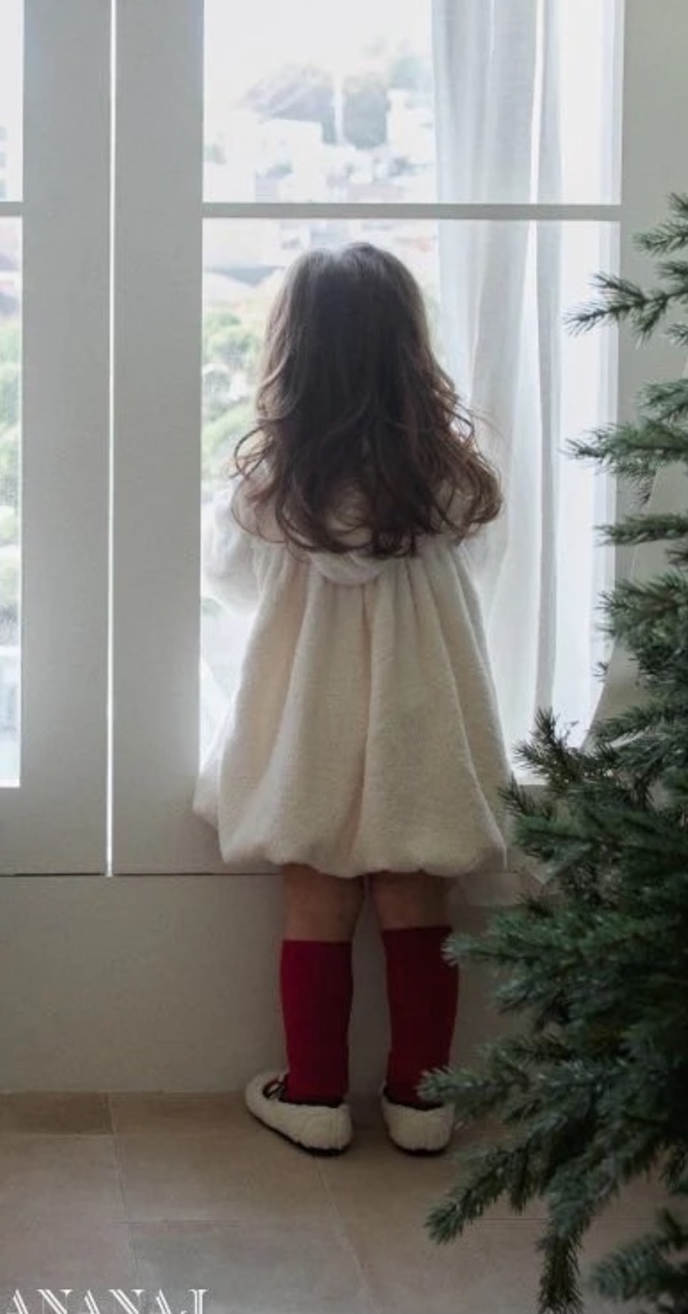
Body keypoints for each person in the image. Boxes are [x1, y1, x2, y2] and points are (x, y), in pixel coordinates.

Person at [195, 243, 508, 1157]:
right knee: (419, 901)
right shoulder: (446, 476)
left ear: (293, 349)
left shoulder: (272, 485)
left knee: (315, 897)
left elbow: (229, 580)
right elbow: (482, 558)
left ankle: (316, 1095)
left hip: (309, 718)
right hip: (421, 715)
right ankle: (421, 1100)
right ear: (409, 347)